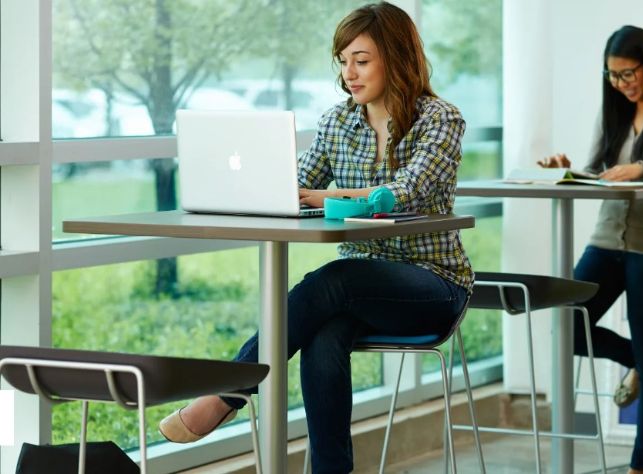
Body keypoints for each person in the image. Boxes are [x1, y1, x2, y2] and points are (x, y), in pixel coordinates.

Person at [158, 3, 473, 473]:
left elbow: (404, 193)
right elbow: (297, 186)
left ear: (397, 57)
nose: (349, 72)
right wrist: (263, 191)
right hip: (356, 291)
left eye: (361, 60)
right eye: (343, 60)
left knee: (336, 277)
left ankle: (228, 392)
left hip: (432, 286)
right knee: (323, 333)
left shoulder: (440, 119)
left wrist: (324, 194)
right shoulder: (337, 122)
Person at [539, 25, 643, 474]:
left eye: (628, 73)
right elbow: (602, 174)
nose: (622, 84)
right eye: (613, 76)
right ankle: (637, 357)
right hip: (606, 240)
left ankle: (640, 467)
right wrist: (570, 171)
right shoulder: (614, 112)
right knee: (567, 328)